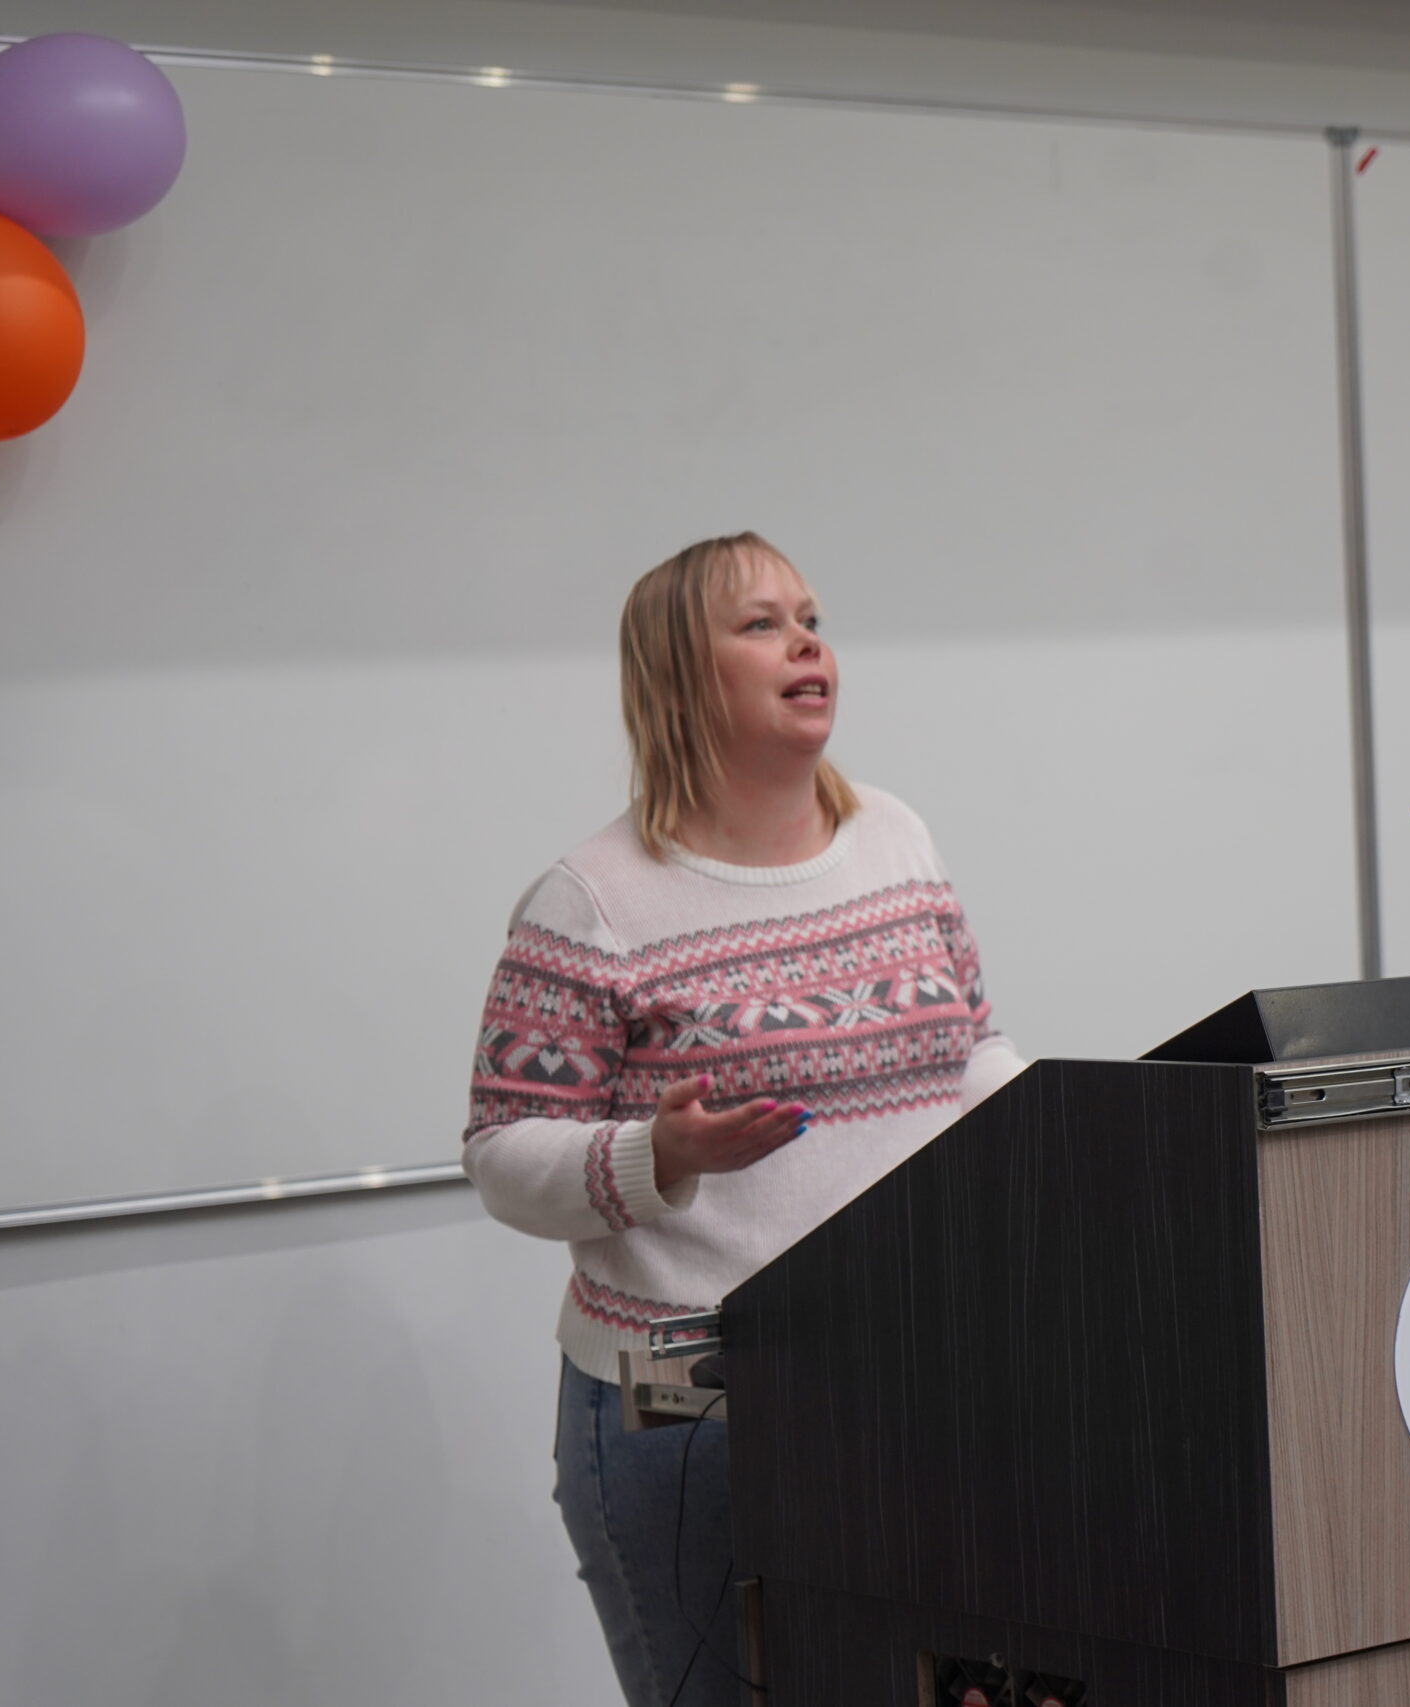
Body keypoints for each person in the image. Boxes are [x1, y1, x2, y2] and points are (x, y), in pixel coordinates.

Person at [461, 532, 1027, 1707]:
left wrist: (1072, 1129)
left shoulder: (896, 838)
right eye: (761, 624)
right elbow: (504, 1154)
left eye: (811, 619)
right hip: (695, 1424)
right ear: (680, 675)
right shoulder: (592, 901)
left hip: (909, 1388)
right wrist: (655, 1154)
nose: (806, 643)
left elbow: (968, 1051)